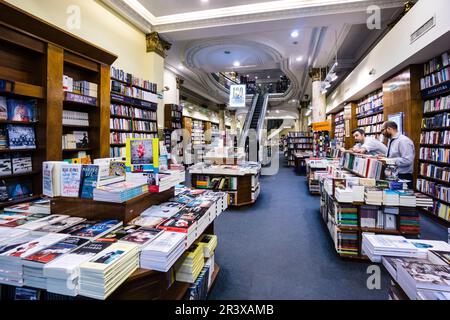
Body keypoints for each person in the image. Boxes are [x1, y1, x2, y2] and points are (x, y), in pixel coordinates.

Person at [380, 121, 415, 188]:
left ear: (389, 129)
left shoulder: (403, 141)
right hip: (393, 175)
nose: (382, 133)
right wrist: (384, 157)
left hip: (402, 176)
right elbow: (394, 155)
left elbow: (407, 160)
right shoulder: (391, 140)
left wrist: (388, 160)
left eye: (382, 130)